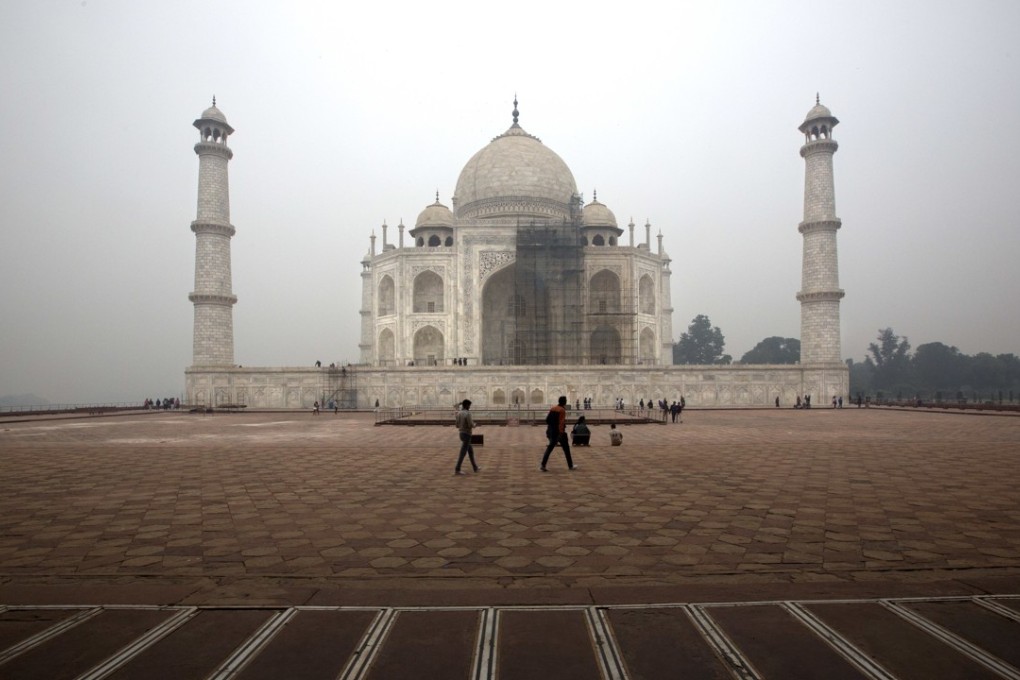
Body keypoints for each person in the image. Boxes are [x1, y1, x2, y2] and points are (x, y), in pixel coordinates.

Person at [541, 396, 577, 471]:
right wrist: (561, 432)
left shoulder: (553, 408)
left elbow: (547, 420)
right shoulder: (562, 410)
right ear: (564, 402)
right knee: (566, 449)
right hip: (559, 432)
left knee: (549, 448)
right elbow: (561, 422)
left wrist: (551, 427)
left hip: (551, 431)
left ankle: (543, 465)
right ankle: (570, 466)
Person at [454, 399, 480, 475]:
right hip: (467, 434)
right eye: (469, 405)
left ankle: (475, 467)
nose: (469, 407)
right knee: (462, 453)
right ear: (466, 405)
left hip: (461, 433)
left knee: (470, 452)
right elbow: (470, 425)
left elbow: (456, 425)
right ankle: (457, 469)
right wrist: (475, 425)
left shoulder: (459, 413)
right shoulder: (468, 414)